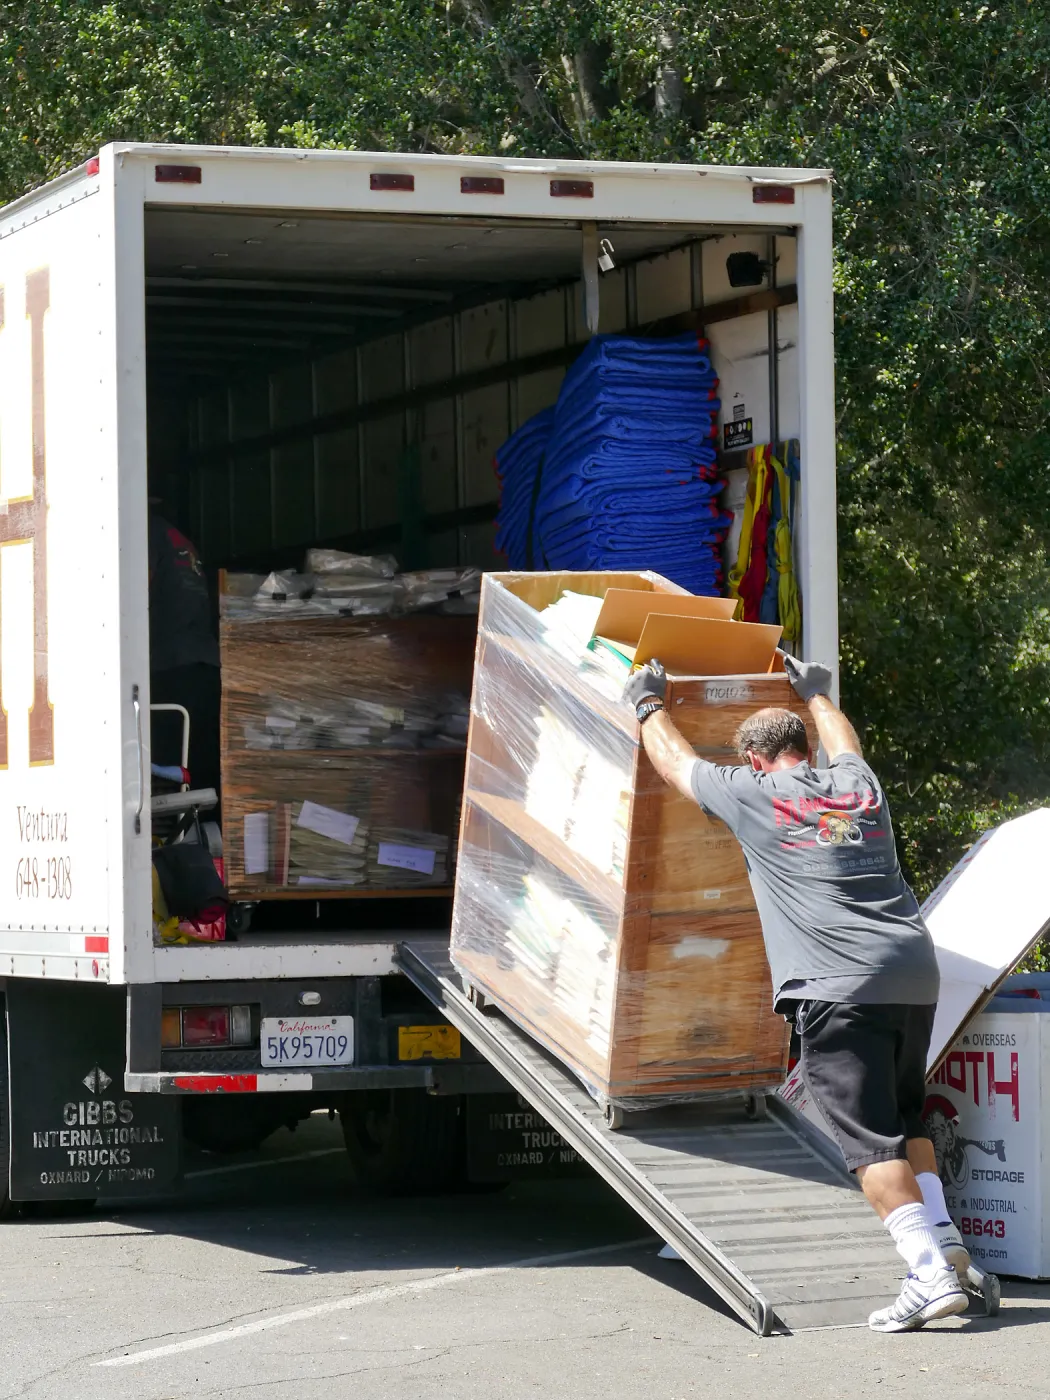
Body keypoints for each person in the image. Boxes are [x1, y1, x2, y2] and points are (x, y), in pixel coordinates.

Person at [623, 653, 967, 1333]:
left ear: (755, 761)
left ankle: (927, 1274)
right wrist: (817, 693)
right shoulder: (857, 785)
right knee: (905, 1117)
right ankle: (947, 1242)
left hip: (838, 983)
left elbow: (676, 764)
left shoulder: (754, 794)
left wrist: (647, 704)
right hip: (910, 972)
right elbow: (847, 741)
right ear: (805, 750)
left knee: (870, 1143)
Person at [148, 510, 221, 798]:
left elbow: (133, 592)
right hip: (204, 662)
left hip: (170, 666)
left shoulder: (142, 531)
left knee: (170, 770)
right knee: (201, 765)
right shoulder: (174, 536)